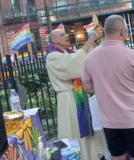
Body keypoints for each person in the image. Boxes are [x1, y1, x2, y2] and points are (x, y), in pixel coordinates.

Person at [81, 15, 134, 160]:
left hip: (110, 122)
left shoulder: (90, 58)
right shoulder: (133, 55)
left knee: (116, 157)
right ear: (122, 32)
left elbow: (87, 88)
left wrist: (106, 89)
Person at [46, 28, 107, 159]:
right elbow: (72, 64)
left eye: (65, 33)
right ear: (54, 40)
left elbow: (84, 60)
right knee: (73, 131)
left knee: (86, 131)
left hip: (79, 95)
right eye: (62, 35)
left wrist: (96, 43)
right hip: (68, 99)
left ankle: (90, 156)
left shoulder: (68, 52)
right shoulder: (52, 56)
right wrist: (90, 39)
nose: (67, 35)